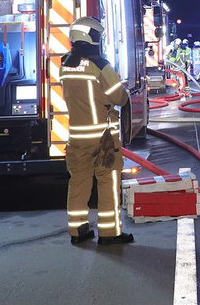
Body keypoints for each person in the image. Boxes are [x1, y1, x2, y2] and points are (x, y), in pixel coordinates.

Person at [59, 16, 134, 245]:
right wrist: (121, 88)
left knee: (79, 182)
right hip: (103, 137)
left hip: (77, 136)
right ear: (92, 37)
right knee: (107, 181)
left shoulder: (65, 64)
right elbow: (119, 97)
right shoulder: (100, 65)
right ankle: (110, 234)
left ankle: (78, 231)